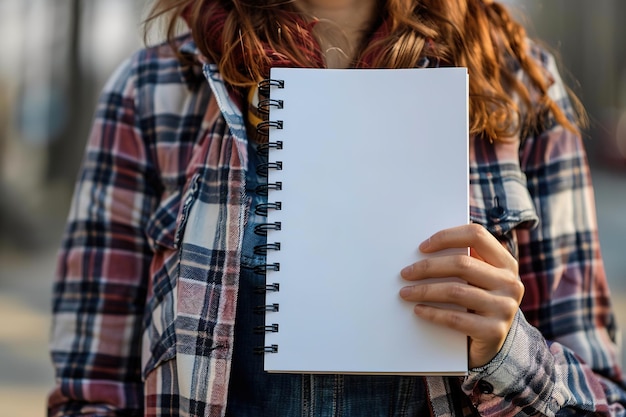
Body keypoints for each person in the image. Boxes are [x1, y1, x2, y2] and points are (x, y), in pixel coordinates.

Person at [47, 0, 626, 415]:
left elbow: (602, 400)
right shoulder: (152, 91)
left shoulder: (520, 88)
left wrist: (507, 354)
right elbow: (89, 395)